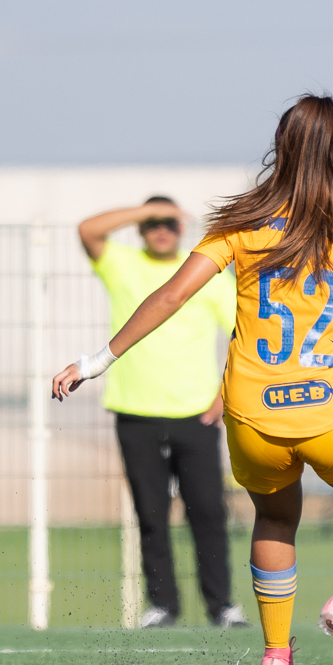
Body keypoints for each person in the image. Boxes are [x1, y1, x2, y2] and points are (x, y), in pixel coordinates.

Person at [53, 94, 333, 665]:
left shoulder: (238, 222)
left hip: (252, 416)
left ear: (280, 148)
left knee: (273, 515)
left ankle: (275, 657)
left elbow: (169, 296)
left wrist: (94, 361)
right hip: (332, 409)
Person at [79, 197, 247, 629]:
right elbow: (88, 230)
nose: (161, 230)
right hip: (135, 412)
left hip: (197, 414)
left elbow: (242, 335)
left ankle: (222, 606)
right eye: (153, 224)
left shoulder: (207, 275)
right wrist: (146, 209)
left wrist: (225, 394)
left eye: (170, 222)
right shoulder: (122, 265)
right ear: (141, 228)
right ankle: (163, 606)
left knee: (207, 512)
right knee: (150, 514)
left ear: (181, 227)